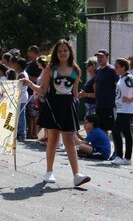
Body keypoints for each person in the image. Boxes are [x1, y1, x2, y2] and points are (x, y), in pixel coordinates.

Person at [22, 39, 91, 186]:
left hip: (67, 107)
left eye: (65, 50)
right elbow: (42, 90)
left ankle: (77, 174)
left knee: (70, 140)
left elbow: (74, 93)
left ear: (70, 52)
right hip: (52, 106)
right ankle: (49, 172)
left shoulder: (76, 70)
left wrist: (78, 100)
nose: (62, 53)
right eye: (59, 51)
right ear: (56, 53)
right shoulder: (50, 68)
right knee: (53, 139)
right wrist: (29, 84)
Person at [111, 58, 133, 166]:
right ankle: (127, 158)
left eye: (117, 67)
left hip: (126, 109)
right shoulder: (122, 77)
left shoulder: (128, 77)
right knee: (127, 132)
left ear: (123, 67)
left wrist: (131, 99)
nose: (115, 69)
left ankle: (119, 156)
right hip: (121, 108)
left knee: (115, 131)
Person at [26, 45, 41, 139]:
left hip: (33, 92)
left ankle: (35, 132)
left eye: (30, 51)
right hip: (29, 91)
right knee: (30, 114)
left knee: (34, 114)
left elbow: (38, 79)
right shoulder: (30, 63)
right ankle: (30, 132)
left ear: (35, 53)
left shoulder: (37, 65)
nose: (28, 53)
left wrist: (27, 78)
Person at [12, 58, 29, 141]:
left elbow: (18, 85)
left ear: (19, 65)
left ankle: (22, 133)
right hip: (21, 96)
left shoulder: (21, 74)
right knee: (19, 115)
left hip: (21, 97)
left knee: (21, 115)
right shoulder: (22, 73)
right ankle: (20, 132)